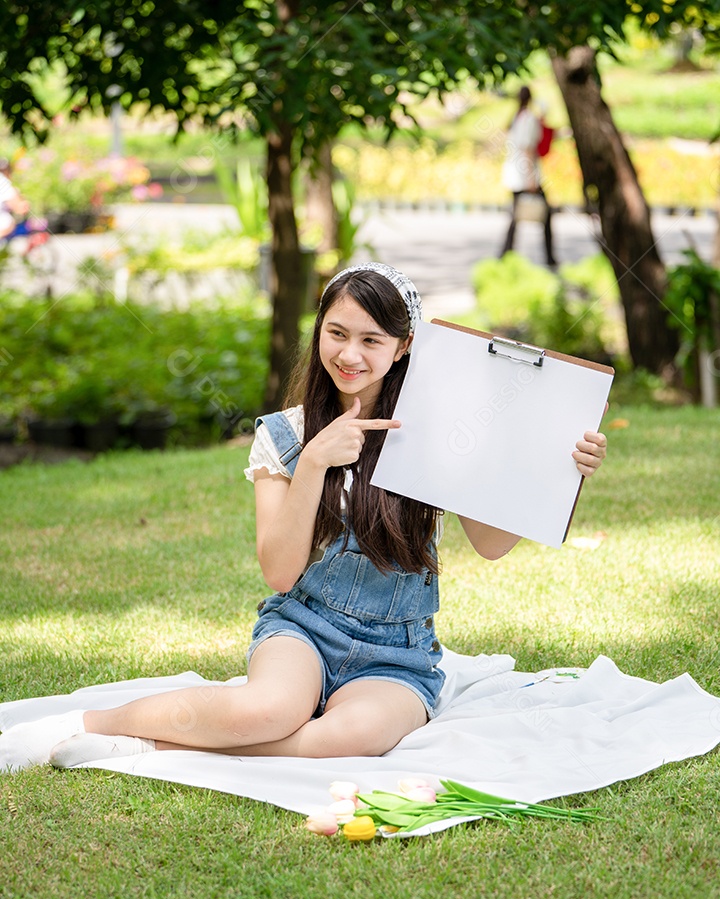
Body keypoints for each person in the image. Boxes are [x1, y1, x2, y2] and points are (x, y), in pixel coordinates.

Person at [0, 263, 607, 772]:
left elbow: (493, 544)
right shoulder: (286, 436)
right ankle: (80, 725)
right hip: (303, 628)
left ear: (404, 348)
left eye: (371, 340)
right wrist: (314, 462)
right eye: (337, 333)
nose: (350, 354)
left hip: (398, 653)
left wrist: (558, 467)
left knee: (355, 737)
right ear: (319, 332)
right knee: (263, 709)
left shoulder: (436, 437)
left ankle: (150, 742)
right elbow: (280, 572)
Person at [499, 86, 557, 268]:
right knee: (545, 216)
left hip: (515, 174)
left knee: (516, 216)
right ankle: (549, 257)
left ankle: (505, 254)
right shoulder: (528, 119)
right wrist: (531, 179)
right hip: (525, 175)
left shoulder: (517, 118)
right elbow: (528, 149)